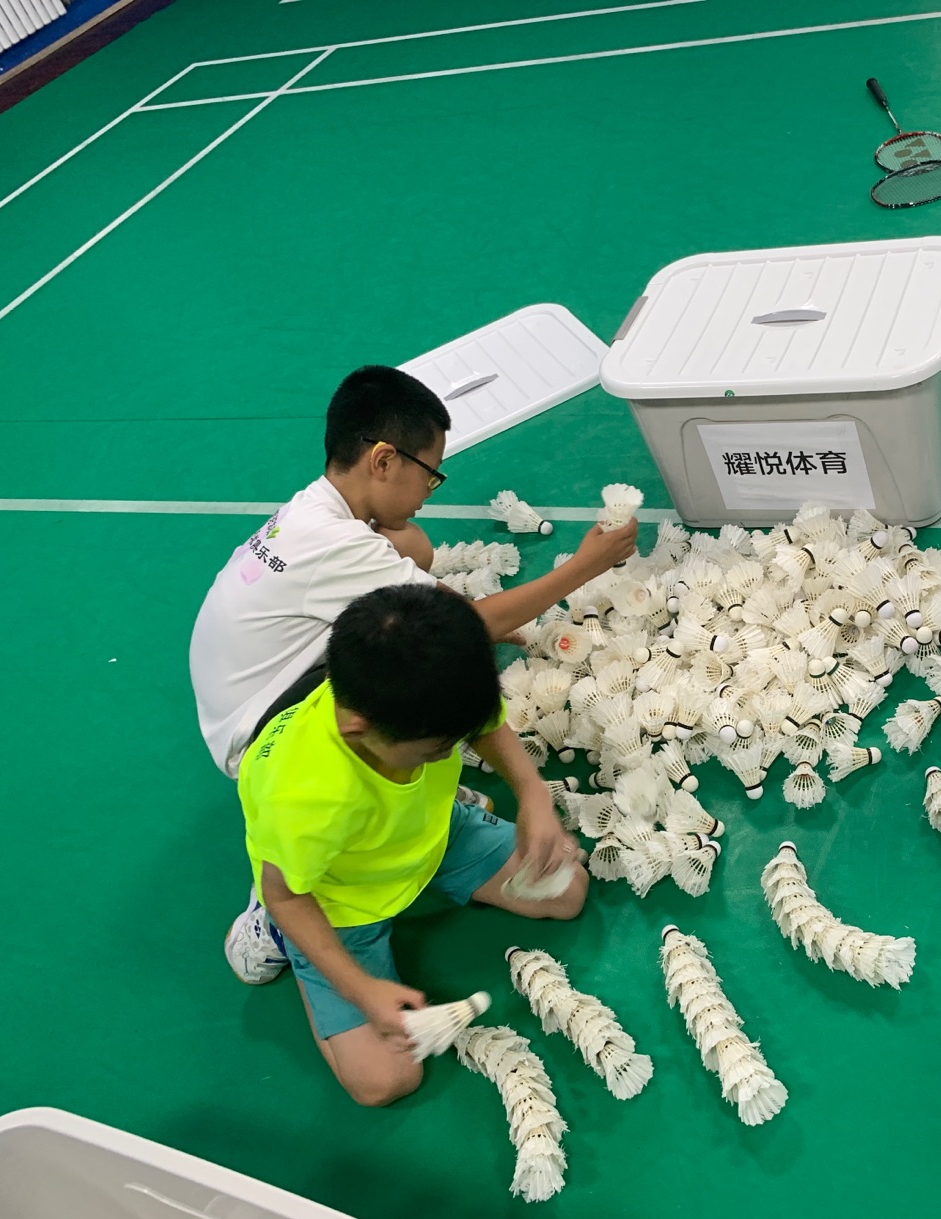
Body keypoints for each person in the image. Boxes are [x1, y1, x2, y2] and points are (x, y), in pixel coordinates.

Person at [190, 365, 633, 980]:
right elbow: (465, 627)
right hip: (260, 731)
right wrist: (585, 566)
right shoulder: (338, 547)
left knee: (413, 551)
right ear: (382, 460)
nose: (431, 488)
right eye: (430, 472)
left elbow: (429, 587)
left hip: (250, 690)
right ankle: (272, 916)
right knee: (427, 664)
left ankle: (413, 810)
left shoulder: (317, 511)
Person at [241, 584, 586, 1106]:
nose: (449, 753)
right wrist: (360, 989)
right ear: (359, 730)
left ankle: (436, 835)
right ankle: (272, 933)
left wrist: (532, 793)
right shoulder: (307, 799)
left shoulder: (432, 691)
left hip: (428, 833)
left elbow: (482, 721)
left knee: (567, 889)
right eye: (437, 750)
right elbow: (287, 896)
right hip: (336, 902)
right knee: (384, 1081)